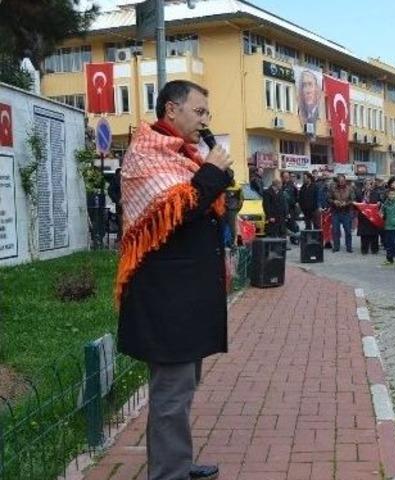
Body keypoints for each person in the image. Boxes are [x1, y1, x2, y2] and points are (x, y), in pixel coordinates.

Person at [116, 80, 229, 480]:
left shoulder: (182, 155)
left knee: (182, 389)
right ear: (171, 110)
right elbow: (180, 212)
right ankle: (168, 473)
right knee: (171, 394)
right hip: (166, 301)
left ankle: (175, 461)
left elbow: (197, 207)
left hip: (184, 298)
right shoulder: (146, 154)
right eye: (198, 111)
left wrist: (211, 172)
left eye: (207, 113)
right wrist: (212, 171)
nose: (205, 120)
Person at [328, 174, 355, 253]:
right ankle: (336, 247)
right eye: (339, 180)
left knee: (348, 230)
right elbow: (329, 198)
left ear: (345, 180)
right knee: (335, 230)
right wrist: (334, 201)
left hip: (346, 211)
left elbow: (353, 199)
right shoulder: (333, 188)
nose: (341, 182)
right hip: (335, 211)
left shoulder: (350, 188)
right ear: (338, 181)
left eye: (342, 180)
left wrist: (346, 203)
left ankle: (349, 247)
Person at [380, 187, 395, 265]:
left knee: (393, 243)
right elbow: (382, 210)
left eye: (393, 194)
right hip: (387, 226)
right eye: (390, 194)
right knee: (388, 243)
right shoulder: (386, 203)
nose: (391, 195)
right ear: (387, 195)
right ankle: (389, 259)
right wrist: (381, 214)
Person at [356, 181, 381, 254]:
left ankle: (374, 249)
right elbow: (356, 203)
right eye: (366, 184)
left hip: (373, 216)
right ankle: (364, 249)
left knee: (374, 233)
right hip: (363, 216)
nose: (368, 186)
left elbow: (379, 202)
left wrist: (379, 204)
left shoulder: (376, 193)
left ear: (371, 186)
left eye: (369, 184)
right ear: (364, 186)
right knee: (364, 234)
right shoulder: (360, 194)